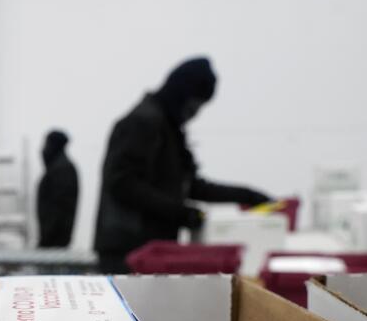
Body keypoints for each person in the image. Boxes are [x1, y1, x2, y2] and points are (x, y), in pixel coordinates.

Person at [93, 57, 271, 272]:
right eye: (195, 104)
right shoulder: (143, 122)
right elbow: (122, 183)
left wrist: (246, 196)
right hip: (127, 251)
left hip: (149, 250)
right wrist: (180, 213)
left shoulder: (168, 127)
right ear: (181, 94)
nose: (195, 113)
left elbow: (189, 186)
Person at [36, 130, 79, 248]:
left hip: (54, 242)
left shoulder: (62, 170)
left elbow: (59, 210)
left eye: (46, 144)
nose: (43, 149)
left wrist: (46, 239)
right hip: (53, 240)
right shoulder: (59, 168)